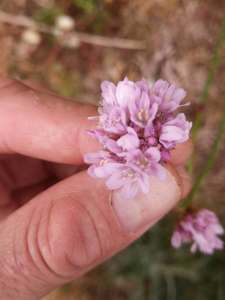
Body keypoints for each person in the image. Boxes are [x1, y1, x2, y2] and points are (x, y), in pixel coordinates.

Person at [0, 77, 193, 300]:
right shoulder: (137, 146)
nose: (142, 162)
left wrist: (140, 149)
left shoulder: (144, 141)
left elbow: (148, 153)